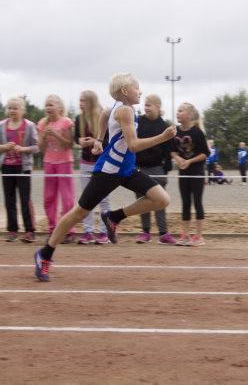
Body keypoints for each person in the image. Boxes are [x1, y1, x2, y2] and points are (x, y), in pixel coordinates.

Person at [33, 73, 176, 282]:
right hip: (108, 171)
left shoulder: (119, 108)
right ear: (125, 92)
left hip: (126, 169)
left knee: (161, 199)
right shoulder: (125, 110)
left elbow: (103, 115)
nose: (141, 91)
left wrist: (99, 139)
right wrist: (163, 137)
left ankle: (114, 217)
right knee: (79, 213)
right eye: (137, 88)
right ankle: (44, 254)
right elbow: (134, 145)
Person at [134, 94, 177, 245]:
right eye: (145, 105)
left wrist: (165, 170)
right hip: (139, 167)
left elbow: (168, 150)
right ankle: (145, 232)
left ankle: (163, 233)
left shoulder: (164, 127)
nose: (146, 108)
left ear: (158, 107)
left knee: (160, 201)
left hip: (156, 168)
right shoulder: (137, 122)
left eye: (149, 105)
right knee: (141, 200)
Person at [37, 94, 76, 244]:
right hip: (49, 163)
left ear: (60, 107)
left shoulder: (66, 122)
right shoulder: (42, 124)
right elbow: (41, 149)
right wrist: (43, 137)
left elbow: (69, 145)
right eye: (46, 105)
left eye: (51, 105)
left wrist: (55, 135)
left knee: (67, 199)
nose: (48, 108)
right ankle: (53, 229)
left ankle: (68, 231)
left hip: (64, 162)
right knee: (49, 198)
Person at [74, 90, 111, 245]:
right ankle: (88, 231)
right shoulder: (79, 119)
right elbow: (77, 138)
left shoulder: (103, 116)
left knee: (103, 198)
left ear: (91, 102)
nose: (80, 103)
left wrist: (95, 141)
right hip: (85, 163)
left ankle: (105, 231)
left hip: (102, 163)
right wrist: (80, 140)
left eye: (83, 100)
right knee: (86, 199)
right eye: (80, 100)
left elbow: (109, 139)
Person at [0, 97, 39, 242]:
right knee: (9, 199)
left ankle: (29, 231)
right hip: (6, 167)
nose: (12, 111)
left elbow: (36, 147)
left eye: (15, 108)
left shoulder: (29, 126)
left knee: (24, 199)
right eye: (9, 108)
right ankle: (12, 230)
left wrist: (22, 149)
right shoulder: (1, 125)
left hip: (23, 167)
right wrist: (5, 147)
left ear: (22, 110)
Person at [171, 102, 209, 246]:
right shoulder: (175, 132)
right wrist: (179, 159)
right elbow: (172, 150)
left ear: (190, 115)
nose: (178, 114)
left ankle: (199, 236)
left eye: (181, 111)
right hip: (183, 172)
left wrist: (190, 161)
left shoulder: (197, 132)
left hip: (196, 171)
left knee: (197, 202)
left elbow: (205, 153)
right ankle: (185, 234)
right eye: (177, 111)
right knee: (185, 202)